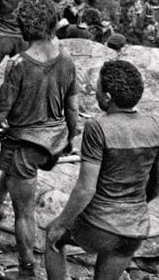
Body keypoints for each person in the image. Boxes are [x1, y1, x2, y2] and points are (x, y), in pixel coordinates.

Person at [0, 0, 79, 280]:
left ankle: (26, 271)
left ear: (23, 28)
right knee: (18, 171)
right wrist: (71, 135)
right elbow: (73, 105)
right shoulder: (66, 57)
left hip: (25, 143)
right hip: (53, 140)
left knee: (24, 212)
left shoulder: (19, 64)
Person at [45, 60, 159, 280]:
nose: (96, 94)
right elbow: (156, 183)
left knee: (53, 235)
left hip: (99, 225)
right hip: (134, 229)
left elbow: (85, 188)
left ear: (107, 97)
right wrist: (135, 207)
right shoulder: (155, 125)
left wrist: (61, 222)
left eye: (97, 90)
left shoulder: (97, 127)